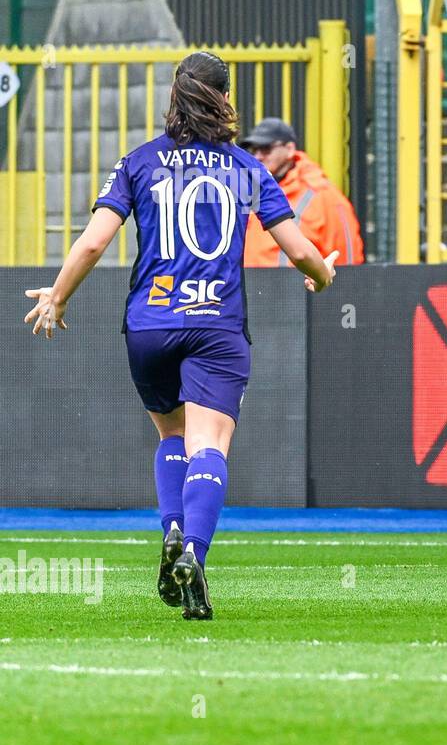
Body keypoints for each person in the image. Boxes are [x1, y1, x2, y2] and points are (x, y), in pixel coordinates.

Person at [22, 51, 337, 620]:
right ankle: (194, 549)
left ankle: (172, 533)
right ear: (225, 98)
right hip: (217, 326)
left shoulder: (139, 162)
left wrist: (58, 295)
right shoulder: (245, 167)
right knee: (209, 444)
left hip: (149, 324)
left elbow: (93, 242)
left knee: (171, 435)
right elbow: (298, 250)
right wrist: (323, 275)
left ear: (175, 96)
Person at [239, 117, 365, 267]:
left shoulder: (323, 196)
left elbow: (347, 261)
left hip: (299, 289)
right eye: (253, 150)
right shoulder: (246, 190)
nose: (258, 156)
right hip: (251, 288)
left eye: (266, 148)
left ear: (290, 149)